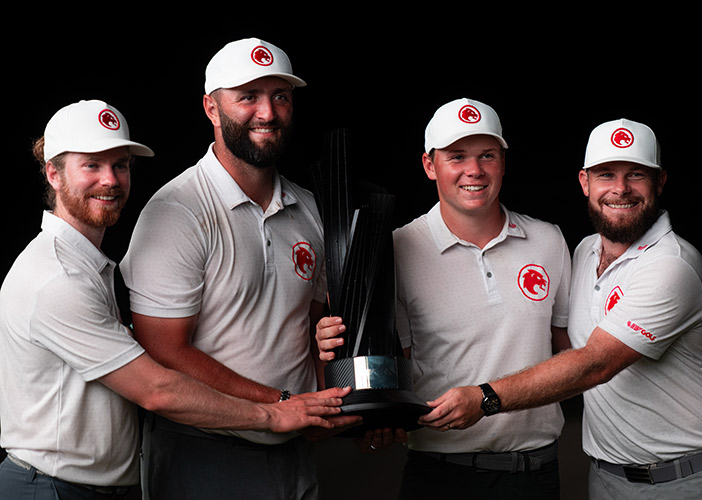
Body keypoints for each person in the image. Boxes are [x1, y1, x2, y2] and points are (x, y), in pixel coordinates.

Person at [0, 99, 349, 500]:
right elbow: (157, 390)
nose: (110, 180)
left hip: (95, 486)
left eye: (121, 165)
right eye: (91, 165)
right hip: (51, 487)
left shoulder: (91, 266)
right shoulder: (55, 279)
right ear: (54, 174)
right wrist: (273, 412)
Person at [414, 118, 702, 498]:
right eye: (606, 174)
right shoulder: (584, 252)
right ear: (585, 183)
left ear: (660, 183)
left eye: (636, 174)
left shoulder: (672, 264)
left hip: (686, 478)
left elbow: (595, 362)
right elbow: (564, 348)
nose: (620, 189)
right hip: (607, 476)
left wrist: (484, 397)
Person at [119, 38, 358, 499]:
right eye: (248, 97)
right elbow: (163, 349)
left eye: (280, 97)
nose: (267, 113)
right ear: (211, 108)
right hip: (205, 451)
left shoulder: (308, 209)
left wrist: (339, 402)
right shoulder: (178, 211)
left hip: (294, 451)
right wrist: (282, 404)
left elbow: (313, 334)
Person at [317, 97, 572, 499]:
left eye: (487, 155)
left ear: (503, 161)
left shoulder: (549, 241)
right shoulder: (396, 248)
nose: (474, 170)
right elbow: (386, 365)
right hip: (440, 476)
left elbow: (571, 357)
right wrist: (368, 417)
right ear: (429, 165)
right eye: (457, 156)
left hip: (535, 472)